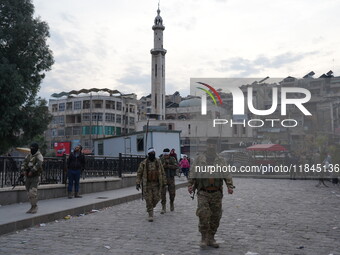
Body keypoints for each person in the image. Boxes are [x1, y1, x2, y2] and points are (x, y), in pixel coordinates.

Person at [188, 138, 235, 248]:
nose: (211, 146)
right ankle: (204, 238)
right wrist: (190, 184)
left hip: (216, 193)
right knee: (203, 215)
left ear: (215, 146)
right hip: (203, 192)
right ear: (207, 145)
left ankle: (211, 238)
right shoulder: (199, 159)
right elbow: (193, 172)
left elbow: (226, 173)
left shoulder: (220, 159)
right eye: (209, 144)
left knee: (215, 216)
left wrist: (230, 186)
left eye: (213, 144)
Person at [136, 147, 166, 222]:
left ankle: (151, 207)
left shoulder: (158, 162)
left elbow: (162, 172)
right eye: (151, 153)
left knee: (157, 198)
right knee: (148, 199)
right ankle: (150, 214)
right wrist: (137, 182)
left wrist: (164, 182)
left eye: (154, 153)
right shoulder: (144, 163)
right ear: (149, 154)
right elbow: (139, 173)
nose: (153, 154)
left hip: (156, 184)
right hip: (147, 184)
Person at [21, 143, 44, 214]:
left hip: (35, 176)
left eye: (33, 148)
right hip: (28, 177)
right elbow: (24, 163)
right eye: (31, 147)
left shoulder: (39, 156)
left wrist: (32, 171)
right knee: (29, 193)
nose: (32, 149)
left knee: (32, 192)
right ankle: (32, 207)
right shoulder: (29, 155)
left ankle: (35, 206)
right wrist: (23, 170)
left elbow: (39, 164)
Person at [160, 148, 178, 214]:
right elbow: (158, 167)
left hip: (171, 178)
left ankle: (171, 203)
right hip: (163, 178)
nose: (165, 156)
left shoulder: (172, 159)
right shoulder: (160, 159)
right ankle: (163, 206)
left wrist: (169, 166)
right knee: (162, 193)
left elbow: (176, 166)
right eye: (164, 155)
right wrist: (164, 166)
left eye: (167, 155)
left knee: (172, 193)